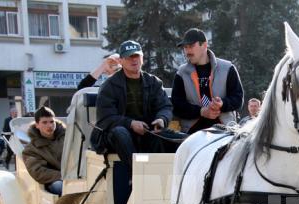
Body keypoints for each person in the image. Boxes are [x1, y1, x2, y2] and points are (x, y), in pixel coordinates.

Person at [91, 40, 174, 172]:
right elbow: (105, 119)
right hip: (116, 136)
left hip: (147, 132)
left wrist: (162, 119)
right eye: (129, 57)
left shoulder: (153, 82)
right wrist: (130, 123)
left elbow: (165, 106)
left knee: (177, 138)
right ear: (121, 61)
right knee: (120, 133)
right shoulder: (109, 86)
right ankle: (137, 174)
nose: (134, 60)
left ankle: (170, 181)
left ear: (142, 58)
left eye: (137, 56)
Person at [171, 28, 244, 134]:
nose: (187, 51)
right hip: (192, 135)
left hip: (225, 132)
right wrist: (201, 111)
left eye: (191, 46)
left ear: (204, 45)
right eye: (185, 48)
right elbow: (177, 105)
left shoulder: (227, 68)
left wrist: (222, 104)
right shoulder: (181, 73)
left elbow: (238, 99)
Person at [22, 106, 65, 196]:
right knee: (61, 186)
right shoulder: (31, 149)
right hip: (54, 181)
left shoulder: (68, 138)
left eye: (52, 122)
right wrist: (63, 176)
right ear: (37, 125)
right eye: (44, 122)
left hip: (77, 176)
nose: (49, 125)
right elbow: (38, 172)